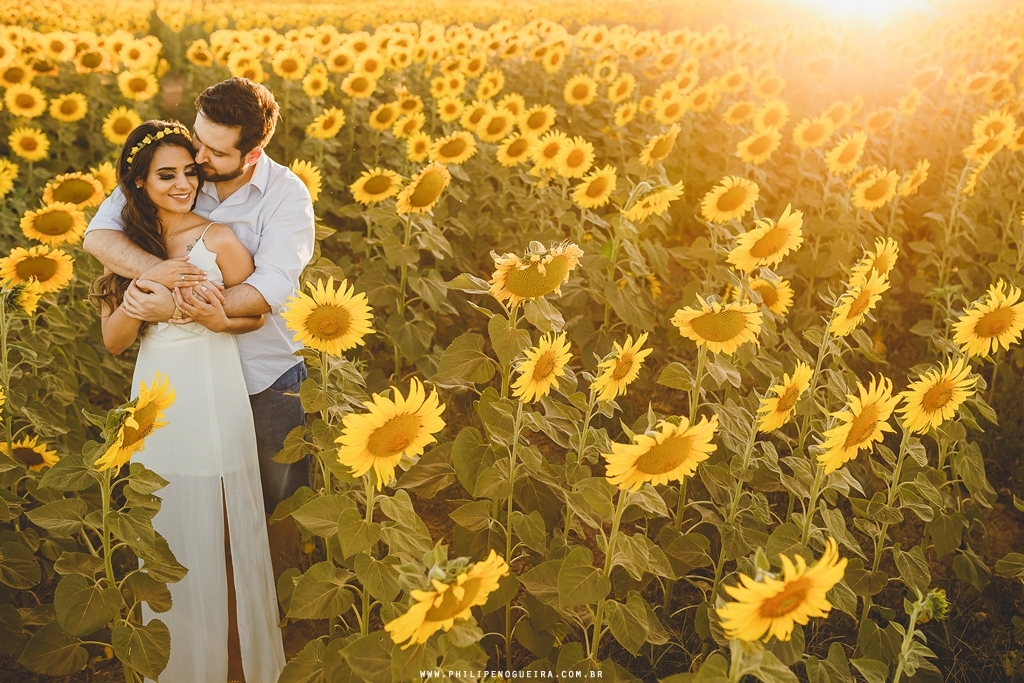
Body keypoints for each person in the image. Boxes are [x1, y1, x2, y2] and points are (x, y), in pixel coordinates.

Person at [83, 78, 316, 578]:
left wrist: (181, 310)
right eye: (198, 138)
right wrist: (153, 275)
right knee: (189, 499)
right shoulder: (173, 167)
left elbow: (269, 287)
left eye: (212, 152)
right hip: (184, 382)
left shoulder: (285, 197)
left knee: (278, 503)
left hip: (263, 375)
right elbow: (100, 235)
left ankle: (278, 610)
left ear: (250, 155)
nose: (198, 157)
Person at [90, 120, 285, 682]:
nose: (181, 184)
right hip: (157, 398)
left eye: (189, 172)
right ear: (140, 182)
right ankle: (178, 666)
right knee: (168, 524)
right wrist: (138, 306)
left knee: (222, 525)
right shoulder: (127, 250)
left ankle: (232, 664)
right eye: (166, 175)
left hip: (213, 391)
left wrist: (213, 316)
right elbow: (113, 342)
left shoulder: (218, 239)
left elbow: (257, 314)